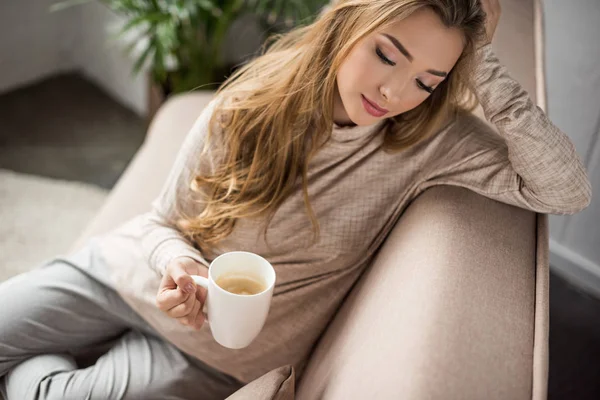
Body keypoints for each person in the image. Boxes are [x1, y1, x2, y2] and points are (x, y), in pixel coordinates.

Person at [0, 0, 592, 399]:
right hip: (123, 273)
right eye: (386, 54)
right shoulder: (247, 106)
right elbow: (161, 221)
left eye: (427, 80)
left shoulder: (431, 143)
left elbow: (565, 188)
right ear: (347, 26)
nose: (394, 91)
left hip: (214, 352)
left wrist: (481, 65)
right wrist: (176, 263)